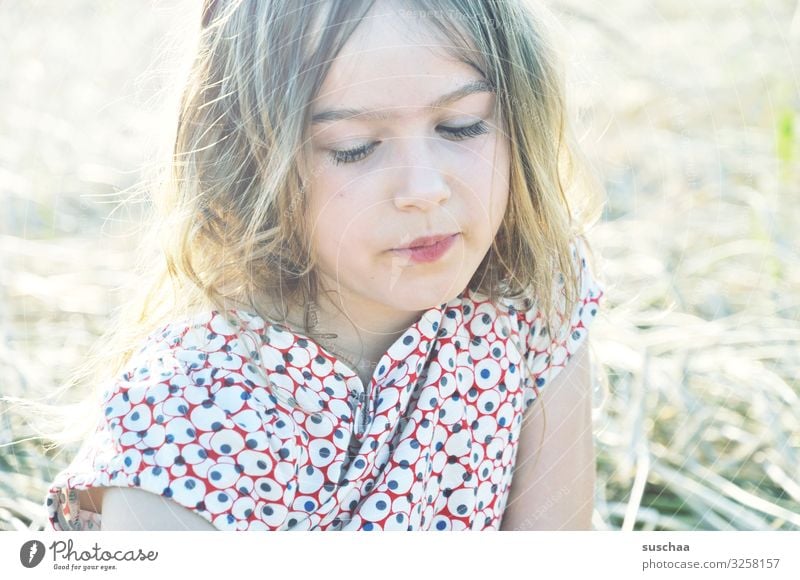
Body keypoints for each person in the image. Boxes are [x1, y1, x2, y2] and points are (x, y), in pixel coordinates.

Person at [43, 0, 606, 531]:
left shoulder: (532, 292)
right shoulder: (190, 414)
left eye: (460, 125)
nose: (425, 189)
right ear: (248, 161)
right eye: (355, 147)